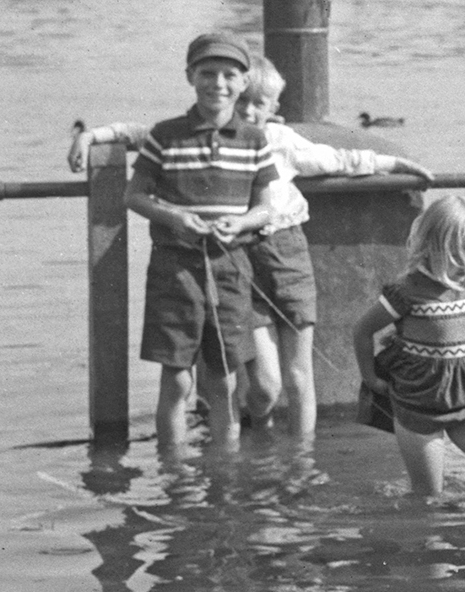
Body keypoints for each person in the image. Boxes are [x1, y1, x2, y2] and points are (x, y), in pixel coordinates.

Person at [69, 55, 433, 435]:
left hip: (286, 254)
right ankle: (259, 429)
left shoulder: (279, 141)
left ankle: (299, 460)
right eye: (242, 102)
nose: (246, 111)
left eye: (258, 103)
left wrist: (399, 165)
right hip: (237, 258)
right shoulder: (203, 135)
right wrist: (93, 135)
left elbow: (340, 159)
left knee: (298, 372)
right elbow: (144, 134)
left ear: (273, 109)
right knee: (264, 384)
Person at [122, 32, 278, 452]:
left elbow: (266, 208)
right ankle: (174, 473)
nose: (218, 84)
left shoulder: (254, 140)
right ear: (190, 76)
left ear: (244, 82)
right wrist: (173, 215)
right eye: (207, 73)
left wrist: (240, 222)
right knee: (177, 378)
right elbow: (133, 195)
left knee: (225, 377)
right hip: (175, 270)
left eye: (230, 75)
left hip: (230, 269)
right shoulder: (165, 135)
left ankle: (223, 471)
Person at [351, 195, 465, 496]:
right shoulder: (408, 291)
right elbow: (363, 331)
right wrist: (370, 378)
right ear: (434, 247)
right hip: (418, 405)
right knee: (427, 496)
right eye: (460, 256)